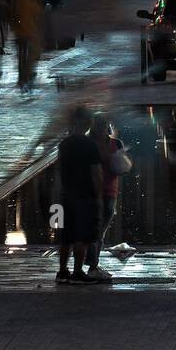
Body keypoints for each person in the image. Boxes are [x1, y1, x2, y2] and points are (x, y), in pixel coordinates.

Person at [56, 106, 103, 284]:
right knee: (81, 236)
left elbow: (59, 169)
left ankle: (62, 272)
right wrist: (98, 197)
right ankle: (77, 272)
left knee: (65, 236)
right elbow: (96, 173)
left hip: (65, 195)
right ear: (86, 123)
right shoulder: (90, 145)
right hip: (85, 195)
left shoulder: (64, 144)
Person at [85, 113, 122, 282]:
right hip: (102, 192)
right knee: (98, 231)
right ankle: (93, 266)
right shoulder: (114, 144)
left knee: (96, 230)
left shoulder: (88, 143)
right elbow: (123, 166)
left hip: (98, 192)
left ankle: (92, 263)